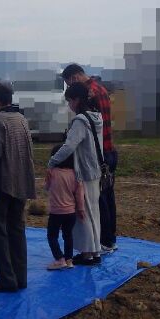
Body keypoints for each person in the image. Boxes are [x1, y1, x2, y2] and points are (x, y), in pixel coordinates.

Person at [0, 80, 36, 293]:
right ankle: (20, 276)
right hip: (21, 181)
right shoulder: (21, 119)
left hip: (2, 184)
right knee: (17, 228)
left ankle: (6, 278)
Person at [62, 63, 118, 253]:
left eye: (69, 84)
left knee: (97, 201)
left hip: (99, 155)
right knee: (107, 198)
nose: (70, 88)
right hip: (108, 150)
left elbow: (92, 127)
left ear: (75, 77)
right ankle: (110, 240)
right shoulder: (100, 88)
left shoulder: (91, 93)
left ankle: (102, 242)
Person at [47, 82, 103, 265]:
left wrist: (53, 161)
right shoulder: (96, 117)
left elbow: (69, 146)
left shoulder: (80, 121)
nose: (69, 104)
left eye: (70, 100)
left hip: (85, 171)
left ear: (77, 100)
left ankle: (87, 254)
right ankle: (95, 251)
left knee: (83, 214)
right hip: (96, 170)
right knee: (94, 212)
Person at [44, 142, 86, 270]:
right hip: (71, 212)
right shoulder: (75, 174)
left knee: (52, 236)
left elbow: (47, 188)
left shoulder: (52, 172)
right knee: (68, 235)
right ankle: (69, 260)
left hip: (56, 212)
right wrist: (81, 209)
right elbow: (79, 194)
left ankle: (59, 258)